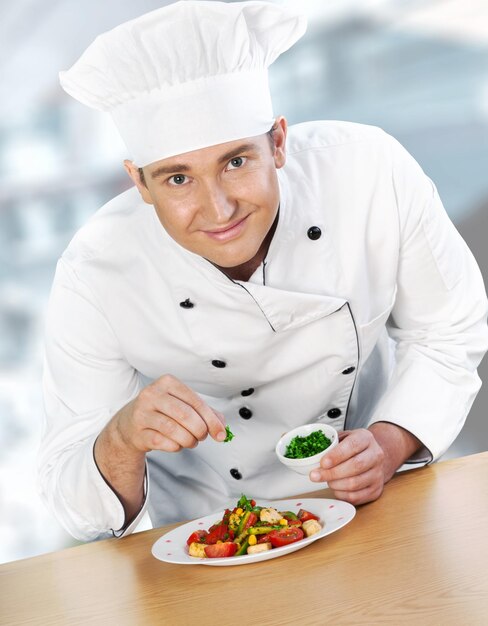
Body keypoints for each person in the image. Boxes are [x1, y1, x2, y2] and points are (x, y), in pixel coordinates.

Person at [39, 1, 488, 542]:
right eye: (178, 179)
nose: (219, 209)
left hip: (381, 503)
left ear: (278, 142)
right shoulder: (97, 272)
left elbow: (449, 328)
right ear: (139, 182)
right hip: (211, 539)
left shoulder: (369, 172)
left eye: (236, 162)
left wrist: (389, 443)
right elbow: (72, 496)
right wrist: (122, 436)